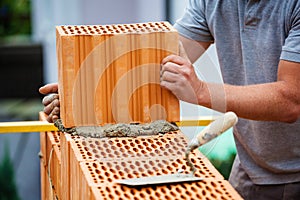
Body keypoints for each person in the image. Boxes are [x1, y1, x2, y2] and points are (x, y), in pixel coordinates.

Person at [40, 0, 300, 199]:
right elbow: (158, 60)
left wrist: (200, 92)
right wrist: (82, 92)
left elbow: (291, 100)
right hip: (250, 165)